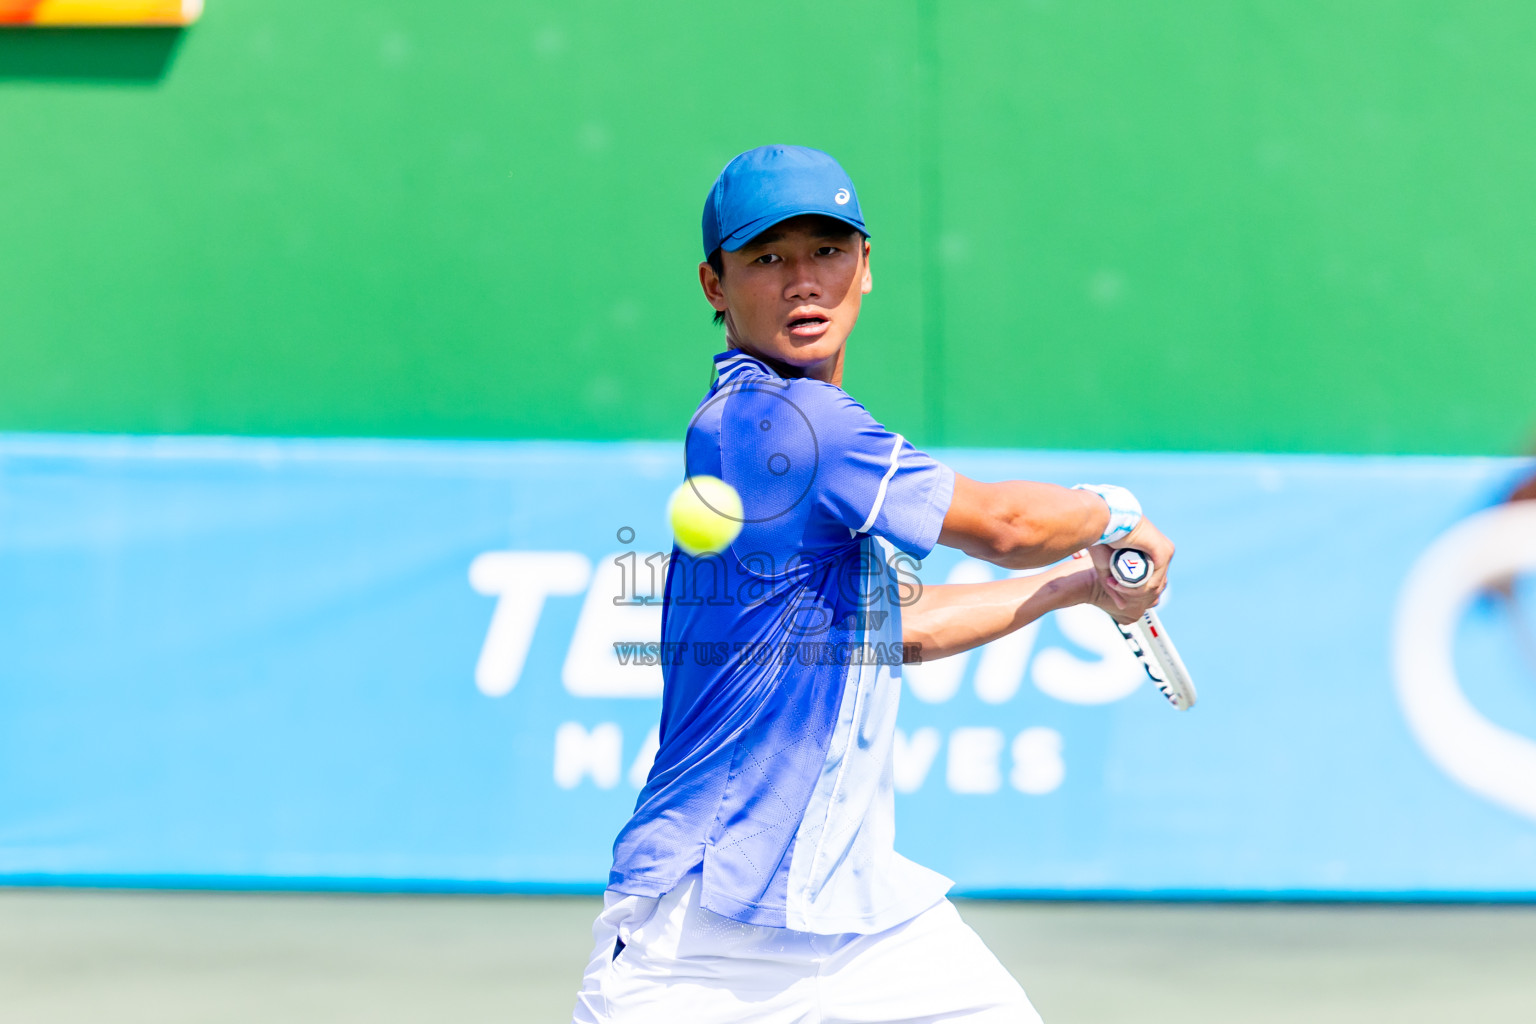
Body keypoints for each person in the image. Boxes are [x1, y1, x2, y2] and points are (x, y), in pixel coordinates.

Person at [572, 145, 1175, 1024]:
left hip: (862, 928)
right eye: (767, 259)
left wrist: (1073, 588)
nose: (802, 281)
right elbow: (1004, 527)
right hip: (701, 939)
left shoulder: (801, 439)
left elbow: (905, 628)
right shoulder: (785, 422)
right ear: (714, 285)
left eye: (826, 251)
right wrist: (1112, 512)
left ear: (864, 267)